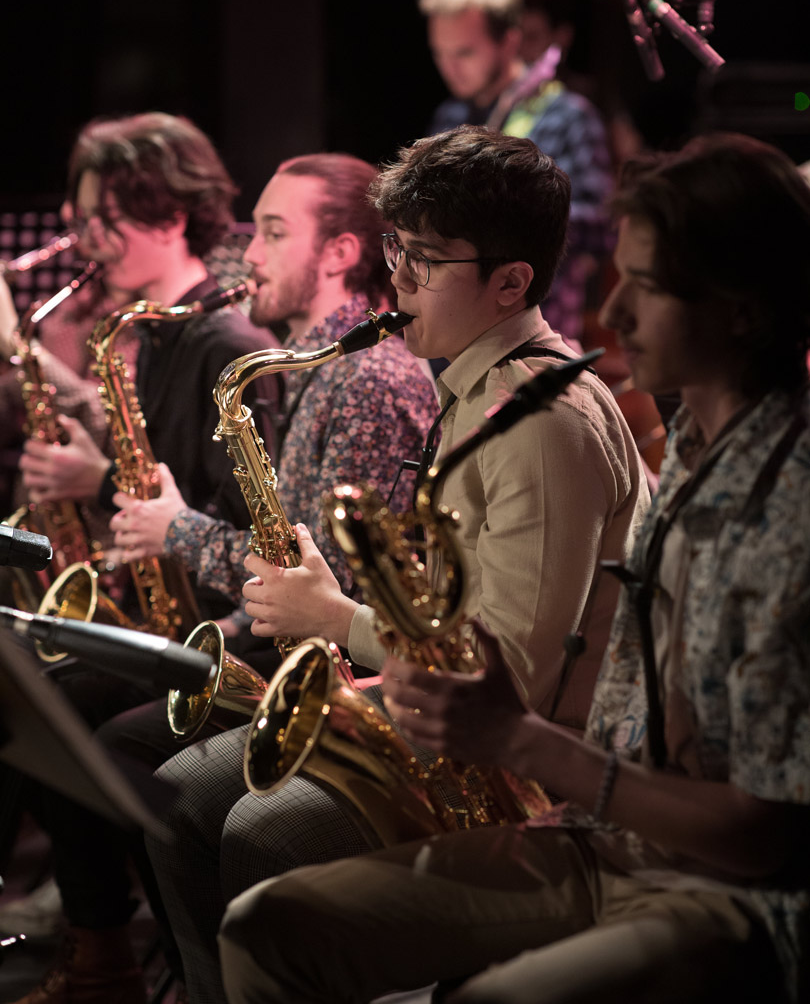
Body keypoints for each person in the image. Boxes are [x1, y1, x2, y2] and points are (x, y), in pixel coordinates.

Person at [218, 132, 810, 1004]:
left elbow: (768, 838)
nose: (614, 314)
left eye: (647, 287)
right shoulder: (692, 443)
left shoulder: (788, 505)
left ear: (741, 310)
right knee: (266, 926)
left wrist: (358, 631)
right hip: (604, 833)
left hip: (730, 892)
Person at [144, 126, 649, 1004]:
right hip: (449, 712)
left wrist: (336, 619)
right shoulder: (471, 386)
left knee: (259, 831)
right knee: (180, 791)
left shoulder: (537, 421)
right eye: (395, 250)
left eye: (423, 259)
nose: (397, 280)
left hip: (523, 769)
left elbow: (513, 679)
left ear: (511, 281)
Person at [43, 152, 438, 1004]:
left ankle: (186, 971)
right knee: (97, 722)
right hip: (280, 643)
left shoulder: (368, 376)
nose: (245, 254)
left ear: (338, 253)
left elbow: (329, 580)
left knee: (131, 748)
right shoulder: (304, 365)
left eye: (271, 232)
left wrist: (176, 529)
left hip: (339, 668)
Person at [6, 111, 281, 1004]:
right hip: (167, 602)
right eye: (82, 219)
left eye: (104, 220)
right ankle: (99, 941)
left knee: (55, 702)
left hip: (226, 629)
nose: (87, 242)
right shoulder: (155, 331)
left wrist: (99, 487)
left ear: (169, 211)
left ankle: (110, 948)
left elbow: (248, 522)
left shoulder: (224, 342)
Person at [420, 0, 613, 343]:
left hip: (534, 333)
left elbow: (602, 228)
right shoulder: (450, 117)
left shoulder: (566, 116)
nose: (450, 68)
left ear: (509, 41)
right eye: (440, 53)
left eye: (464, 52)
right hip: (454, 331)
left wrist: (495, 213)